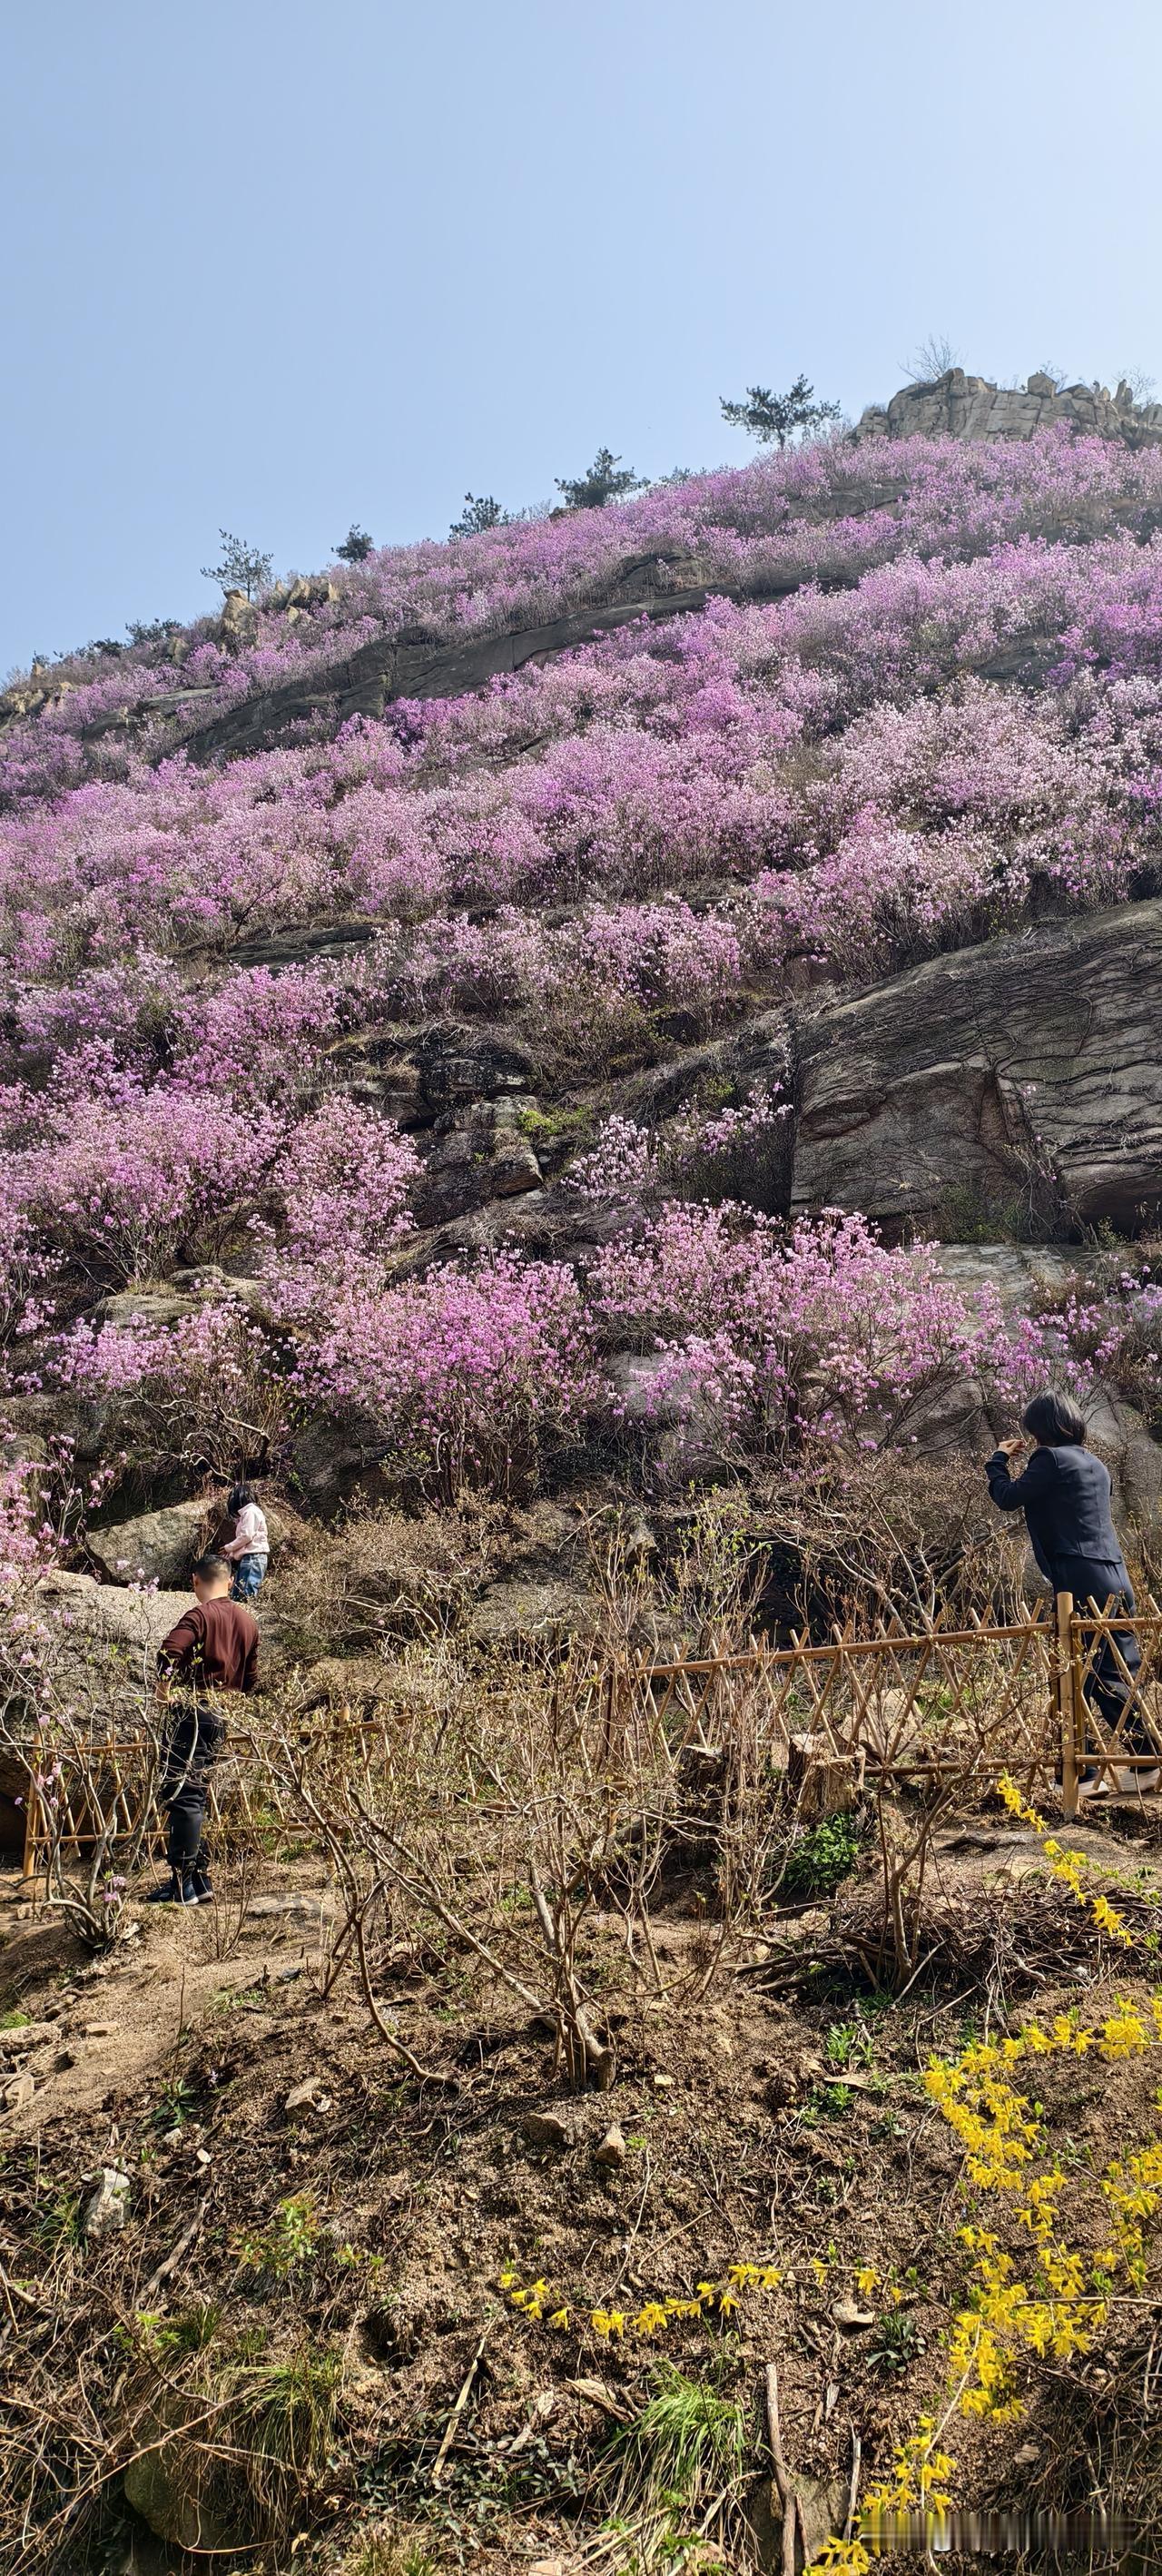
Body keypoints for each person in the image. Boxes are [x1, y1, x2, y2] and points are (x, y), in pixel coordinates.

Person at [986, 1390, 1157, 1795]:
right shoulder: (1096, 1464)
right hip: (1115, 1575)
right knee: (1110, 1669)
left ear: (1040, 1428)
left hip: (1079, 1577)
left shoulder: (1050, 1459)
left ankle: (1118, 1764)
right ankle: (1104, 1766)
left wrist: (997, 1459)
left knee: (1081, 1671)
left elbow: (1008, 1498)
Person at [147, 1552, 260, 1905]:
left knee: (182, 1793)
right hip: (223, 1715)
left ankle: (182, 1885)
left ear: (195, 1581)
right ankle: (199, 1879)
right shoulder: (247, 1621)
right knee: (197, 1793)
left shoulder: (199, 1615)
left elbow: (169, 1652)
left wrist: (163, 1693)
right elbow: (252, 1677)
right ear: (230, 1581)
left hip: (193, 1711)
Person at [220, 1482, 270, 1604]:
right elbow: (247, 1542)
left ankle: (244, 1621)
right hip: (251, 1557)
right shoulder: (248, 1513)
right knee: (238, 1593)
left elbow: (246, 1536)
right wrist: (231, 1556)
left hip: (254, 1557)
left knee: (246, 1594)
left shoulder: (250, 1512)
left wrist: (229, 1548)